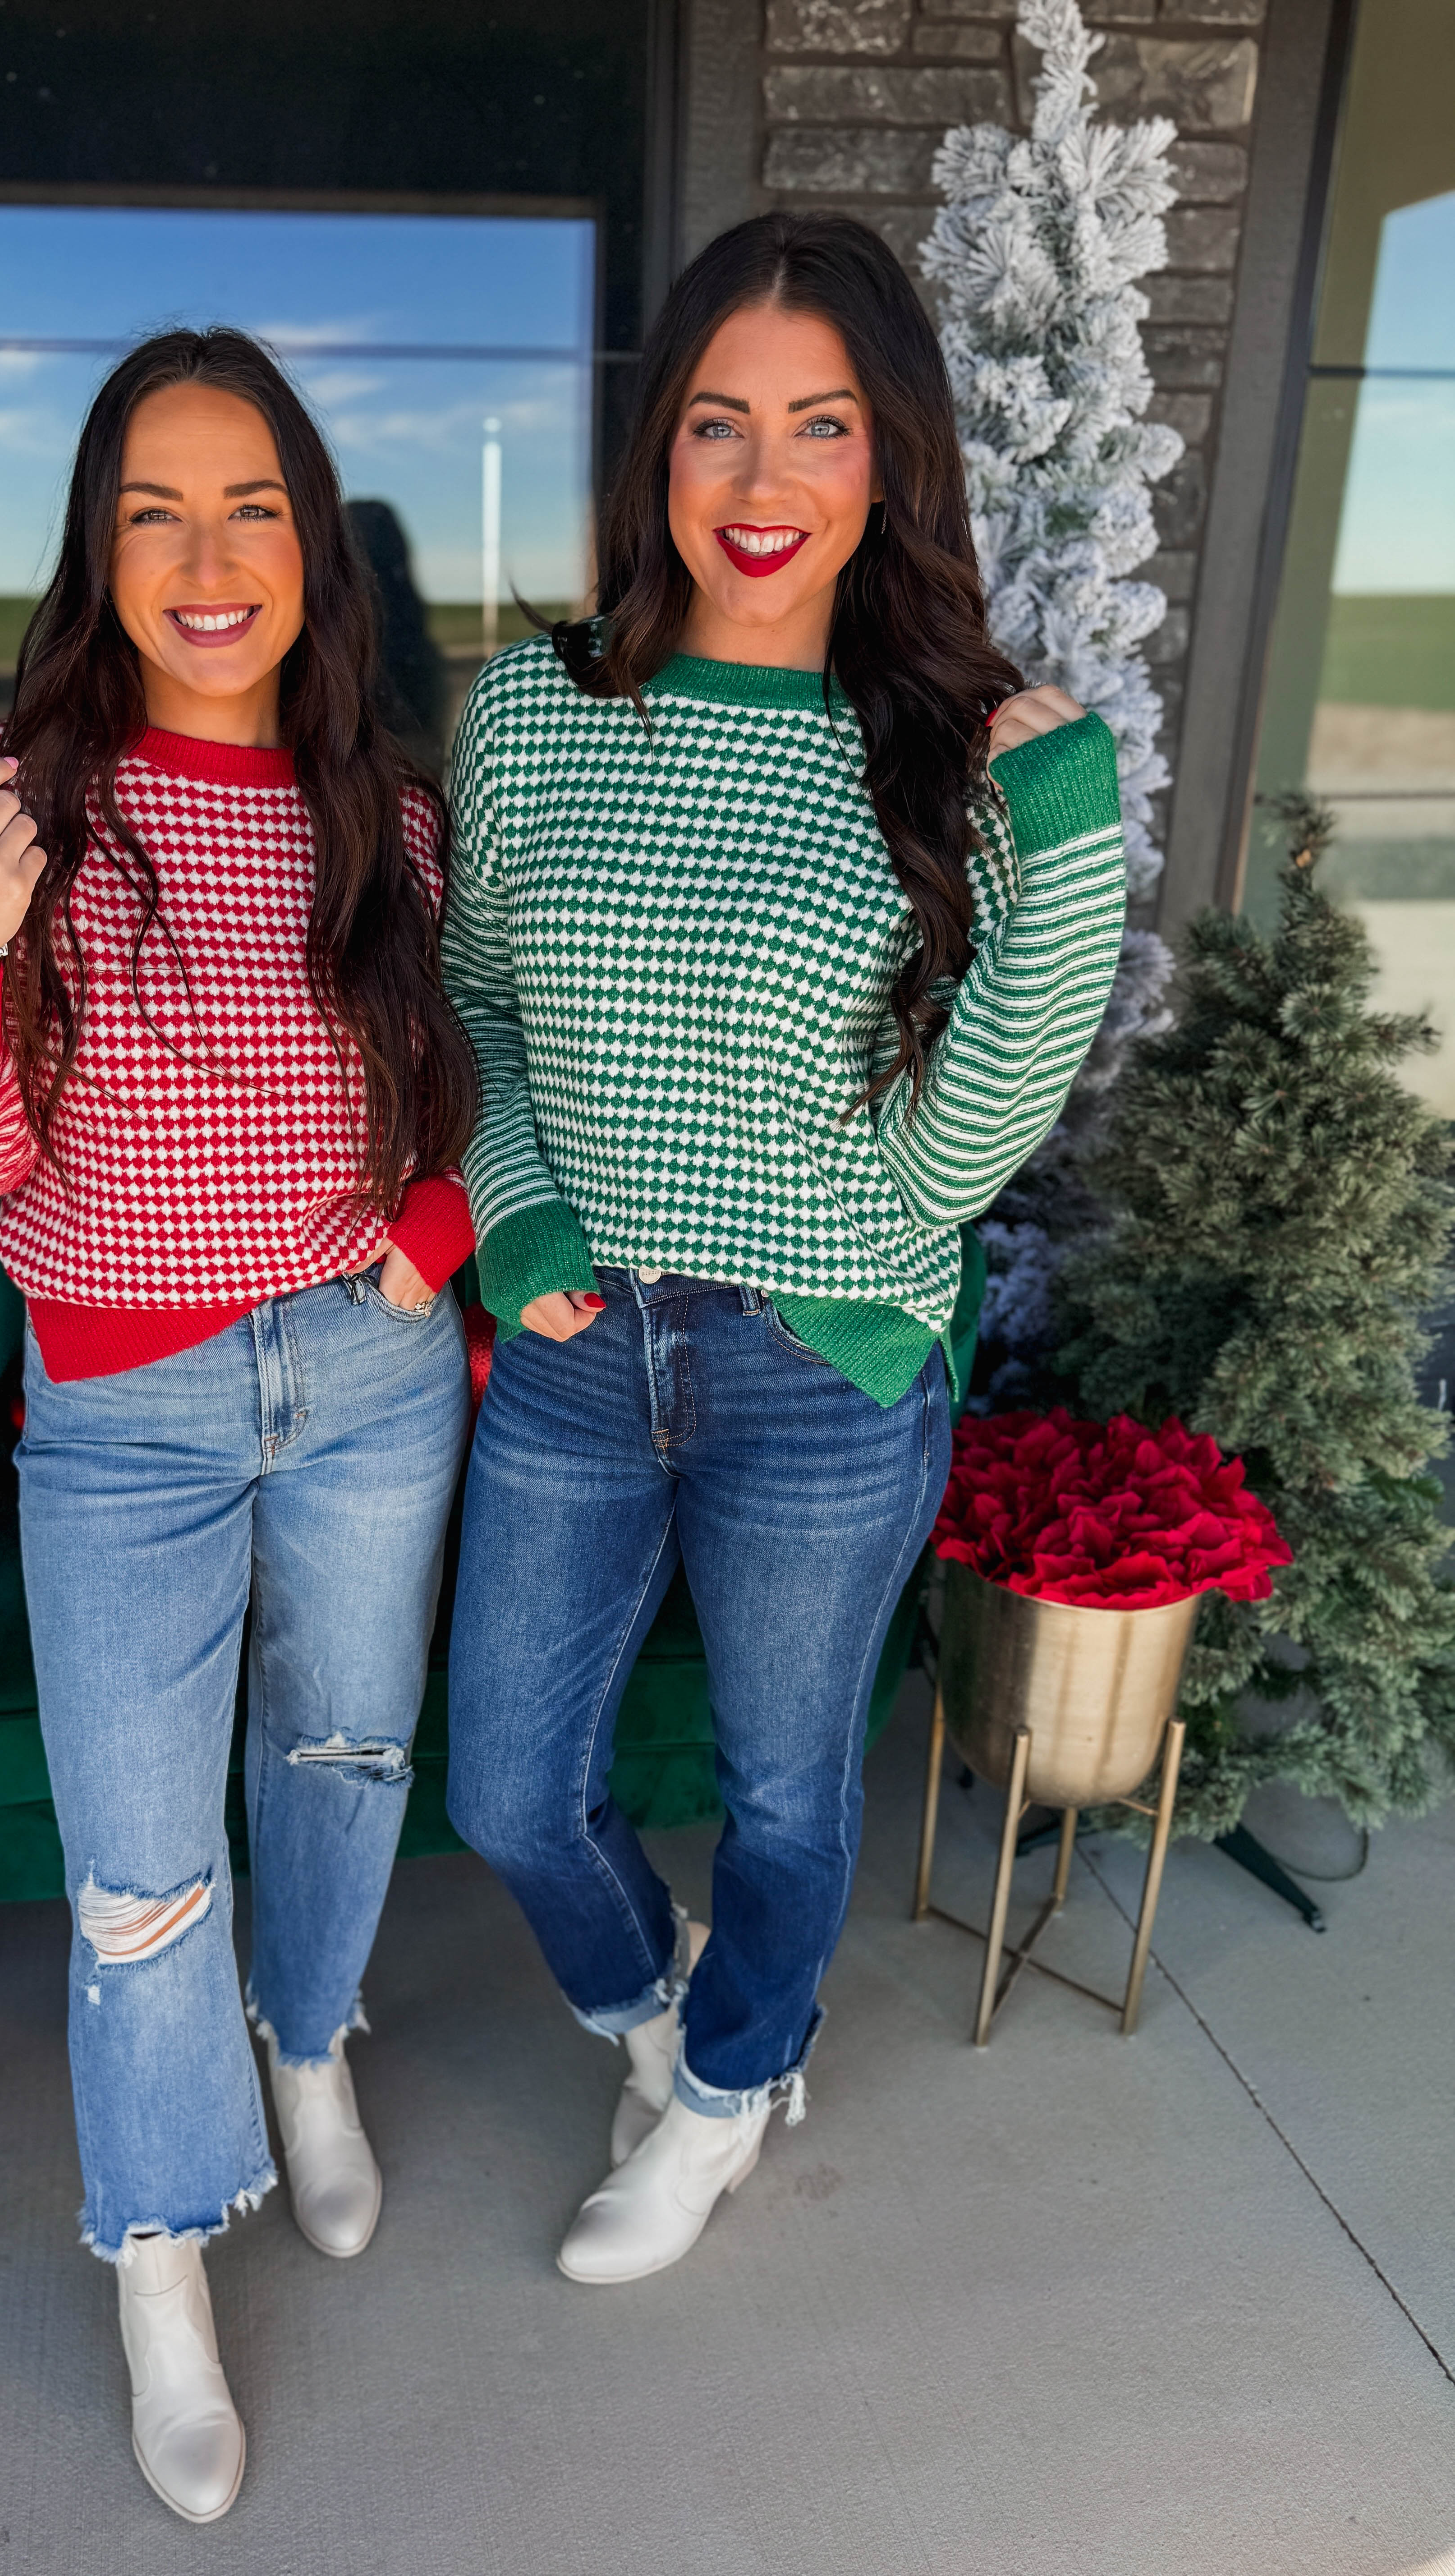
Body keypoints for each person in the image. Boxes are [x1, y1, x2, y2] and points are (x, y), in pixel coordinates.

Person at [441, 211, 1126, 2286]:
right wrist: (514, 1209)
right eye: (719, 422)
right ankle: (665, 2012)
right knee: (508, 1791)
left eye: (822, 425)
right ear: (658, 445)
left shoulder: (957, 748)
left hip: (822, 1359)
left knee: (789, 1797)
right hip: (579, 1344)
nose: (765, 479)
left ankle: (731, 2093)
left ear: (889, 456)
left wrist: (1070, 851)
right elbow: (476, 1007)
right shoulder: (531, 713)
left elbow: (973, 1134)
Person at [0, 328, 477, 2520]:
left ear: (312, 547)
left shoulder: (386, 812)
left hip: (375, 1376)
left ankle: (309, 2049)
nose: (209, 560)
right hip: (123, 1412)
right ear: (97, 549)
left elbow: (463, 1067)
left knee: (347, 1755)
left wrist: (433, 1227)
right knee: (137, 1871)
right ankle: (160, 2258)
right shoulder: (7, 803)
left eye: (251, 508)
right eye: (155, 511)